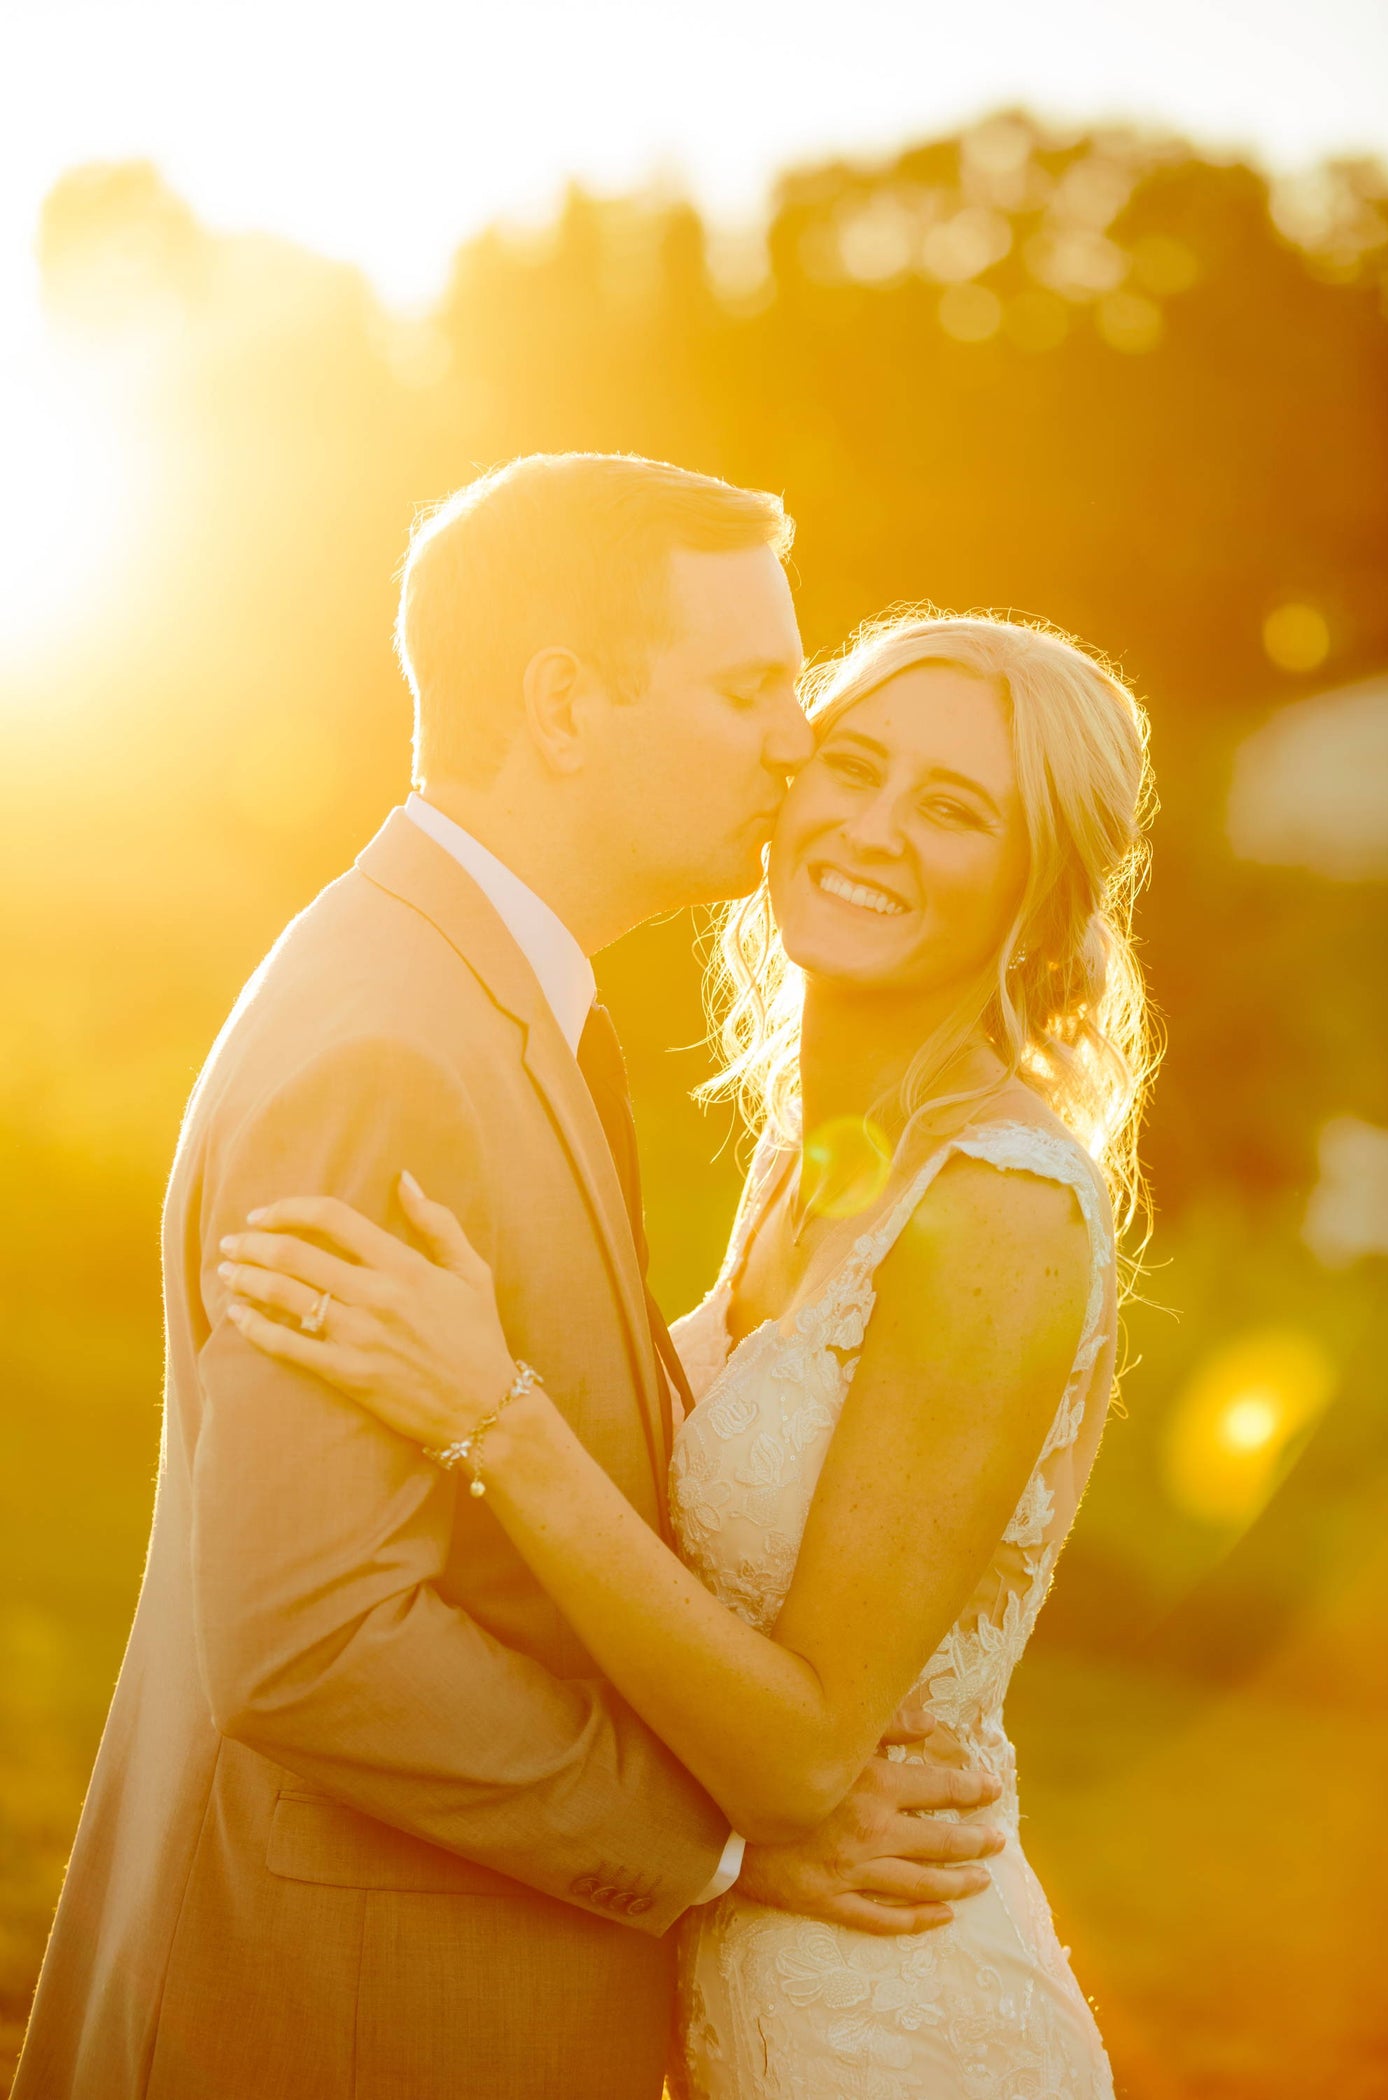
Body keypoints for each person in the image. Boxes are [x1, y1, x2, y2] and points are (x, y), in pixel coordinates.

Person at [13, 460, 1005, 2100]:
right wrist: (716, 1849)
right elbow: (318, 1635)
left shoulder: (469, 992)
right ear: (563, 704)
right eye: (754, 684)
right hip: (350, 2022)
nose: (795, 741)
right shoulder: (396, 1047)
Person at [223, 609, 1155, 2097]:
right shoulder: (813, 1154)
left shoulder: (999, 1210)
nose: (871, 827)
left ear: (1037, 900)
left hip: (890, 2009)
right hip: (730, 1998)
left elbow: (803, 1758)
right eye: (851, 766)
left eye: (954, 808)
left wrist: (493, 1415)